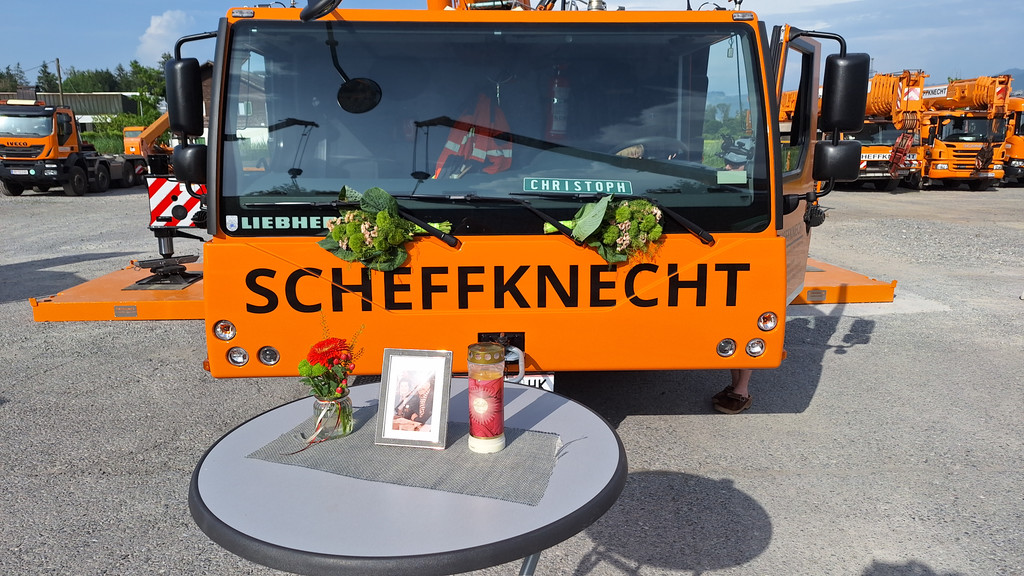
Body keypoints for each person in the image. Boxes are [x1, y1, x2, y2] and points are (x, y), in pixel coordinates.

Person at [712, 135, 755, 415]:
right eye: (727, 163)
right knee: (731, 327)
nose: (729, 168)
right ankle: (735, 385)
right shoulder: (727, 179)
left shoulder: (753, 185)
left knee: (745, 326)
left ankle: (742, 390)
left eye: (735, 165)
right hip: (728, 259)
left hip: (746, 259)